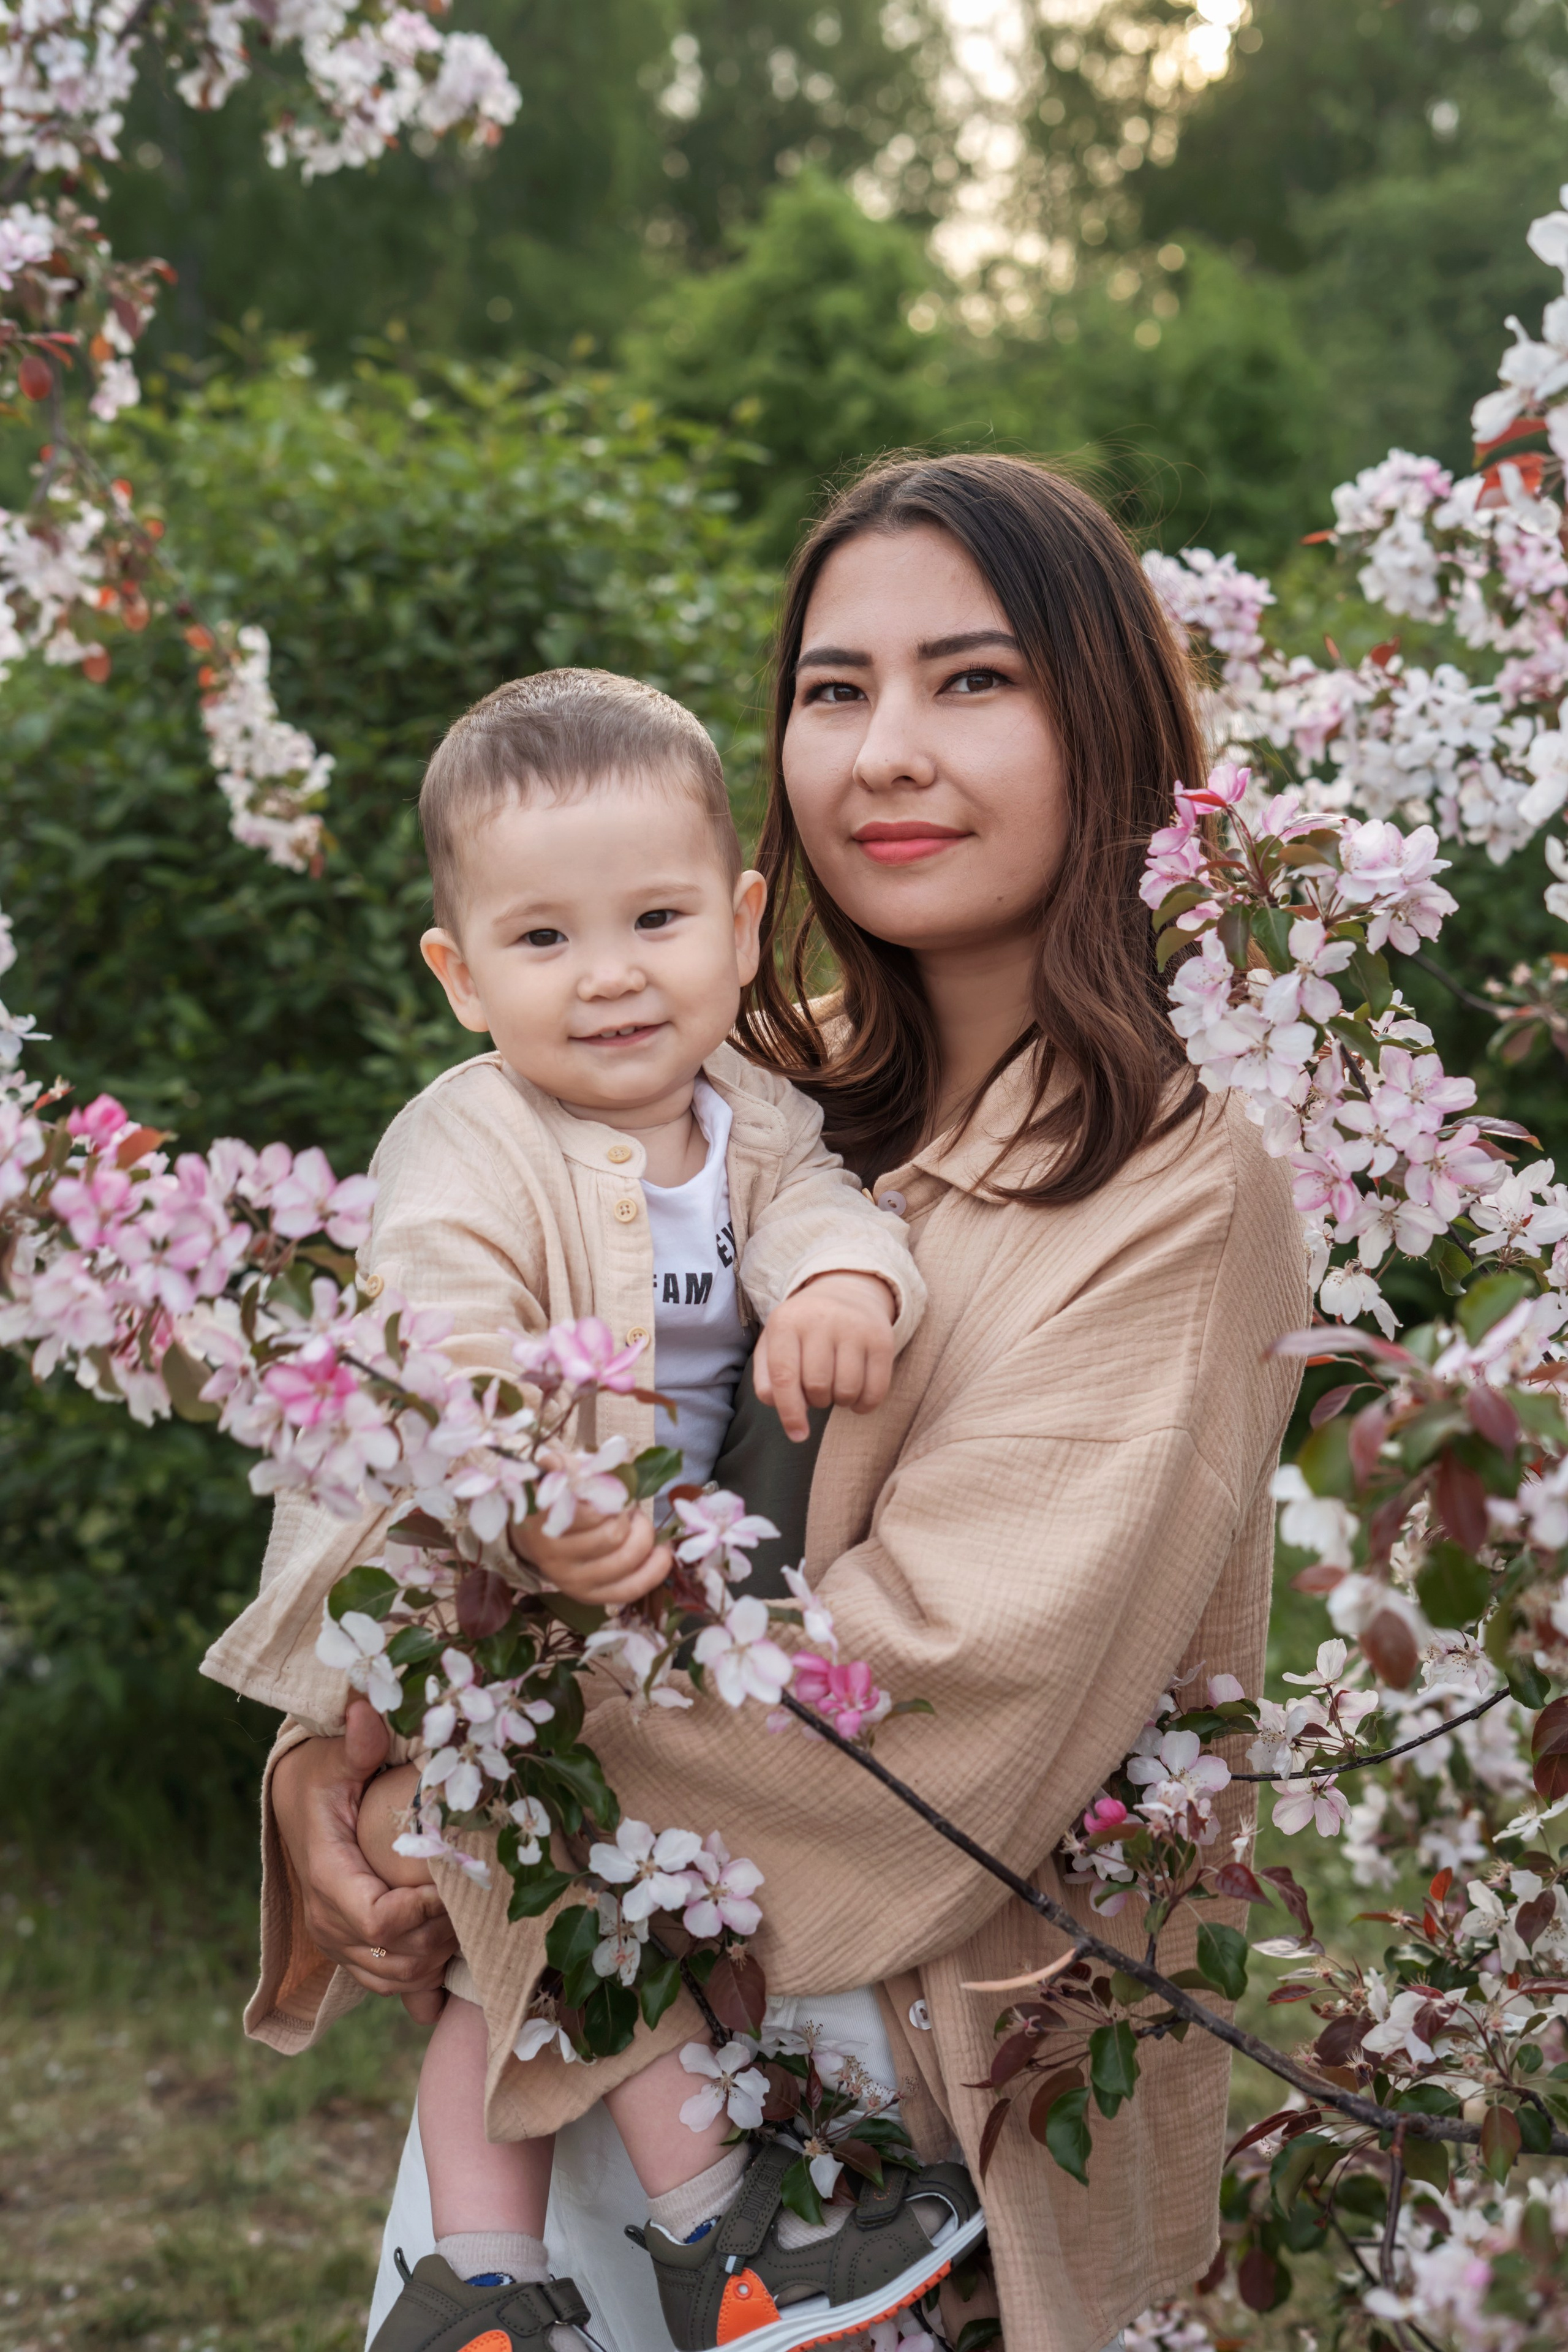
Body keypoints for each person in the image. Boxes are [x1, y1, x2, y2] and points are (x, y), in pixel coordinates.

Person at [228, 454, 1309, 2352]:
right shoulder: (730, 1099)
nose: (887, 750)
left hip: (896, 2106)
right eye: (834, 690)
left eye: (974, 681)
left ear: (1113, 727)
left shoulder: (1175, 1187)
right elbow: (443, 1421)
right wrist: (331, 1758)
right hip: (587, 2036)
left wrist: (452, 1798)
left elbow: (936, 1683)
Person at [203, 663, 981, 2352]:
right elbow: (442, 1348)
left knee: (518, 1936)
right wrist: (534, 1502)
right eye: (543, 940)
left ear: (743, 917)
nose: (612, 976)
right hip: (479, 1595)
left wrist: (848, 1280)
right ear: (460, 974)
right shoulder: (463, 1143)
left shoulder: (754, 1117)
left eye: (655, 918)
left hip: (636, 1600)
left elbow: (819, 1207)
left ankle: (476, 2293)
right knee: (591, 1902)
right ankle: (726, 2234)